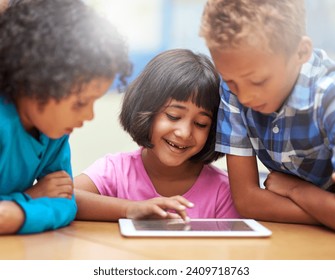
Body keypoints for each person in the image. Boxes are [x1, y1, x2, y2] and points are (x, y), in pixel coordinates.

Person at [199, 0, 335, 233]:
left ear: (301, 52)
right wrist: (330, 213)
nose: (245, 96)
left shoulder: (334, 97)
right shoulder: (234, 90)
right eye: (231, 82)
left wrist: (295, 190)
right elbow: (247, 201)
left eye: (258, 81)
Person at [0, 0, 131, 234]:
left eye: (94, 101)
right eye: (80, 102)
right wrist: (29, 198)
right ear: (34, 81)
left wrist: (17, 213)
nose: (89, 115)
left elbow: (66, 203)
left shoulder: (54, 133)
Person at [74, 49, 240, 222]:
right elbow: (60, 198)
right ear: (146, 109)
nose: (184, 133)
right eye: (173, 116)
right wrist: (130, 209)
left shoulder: (223, 190)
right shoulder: (115, 171)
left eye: (200, 124)